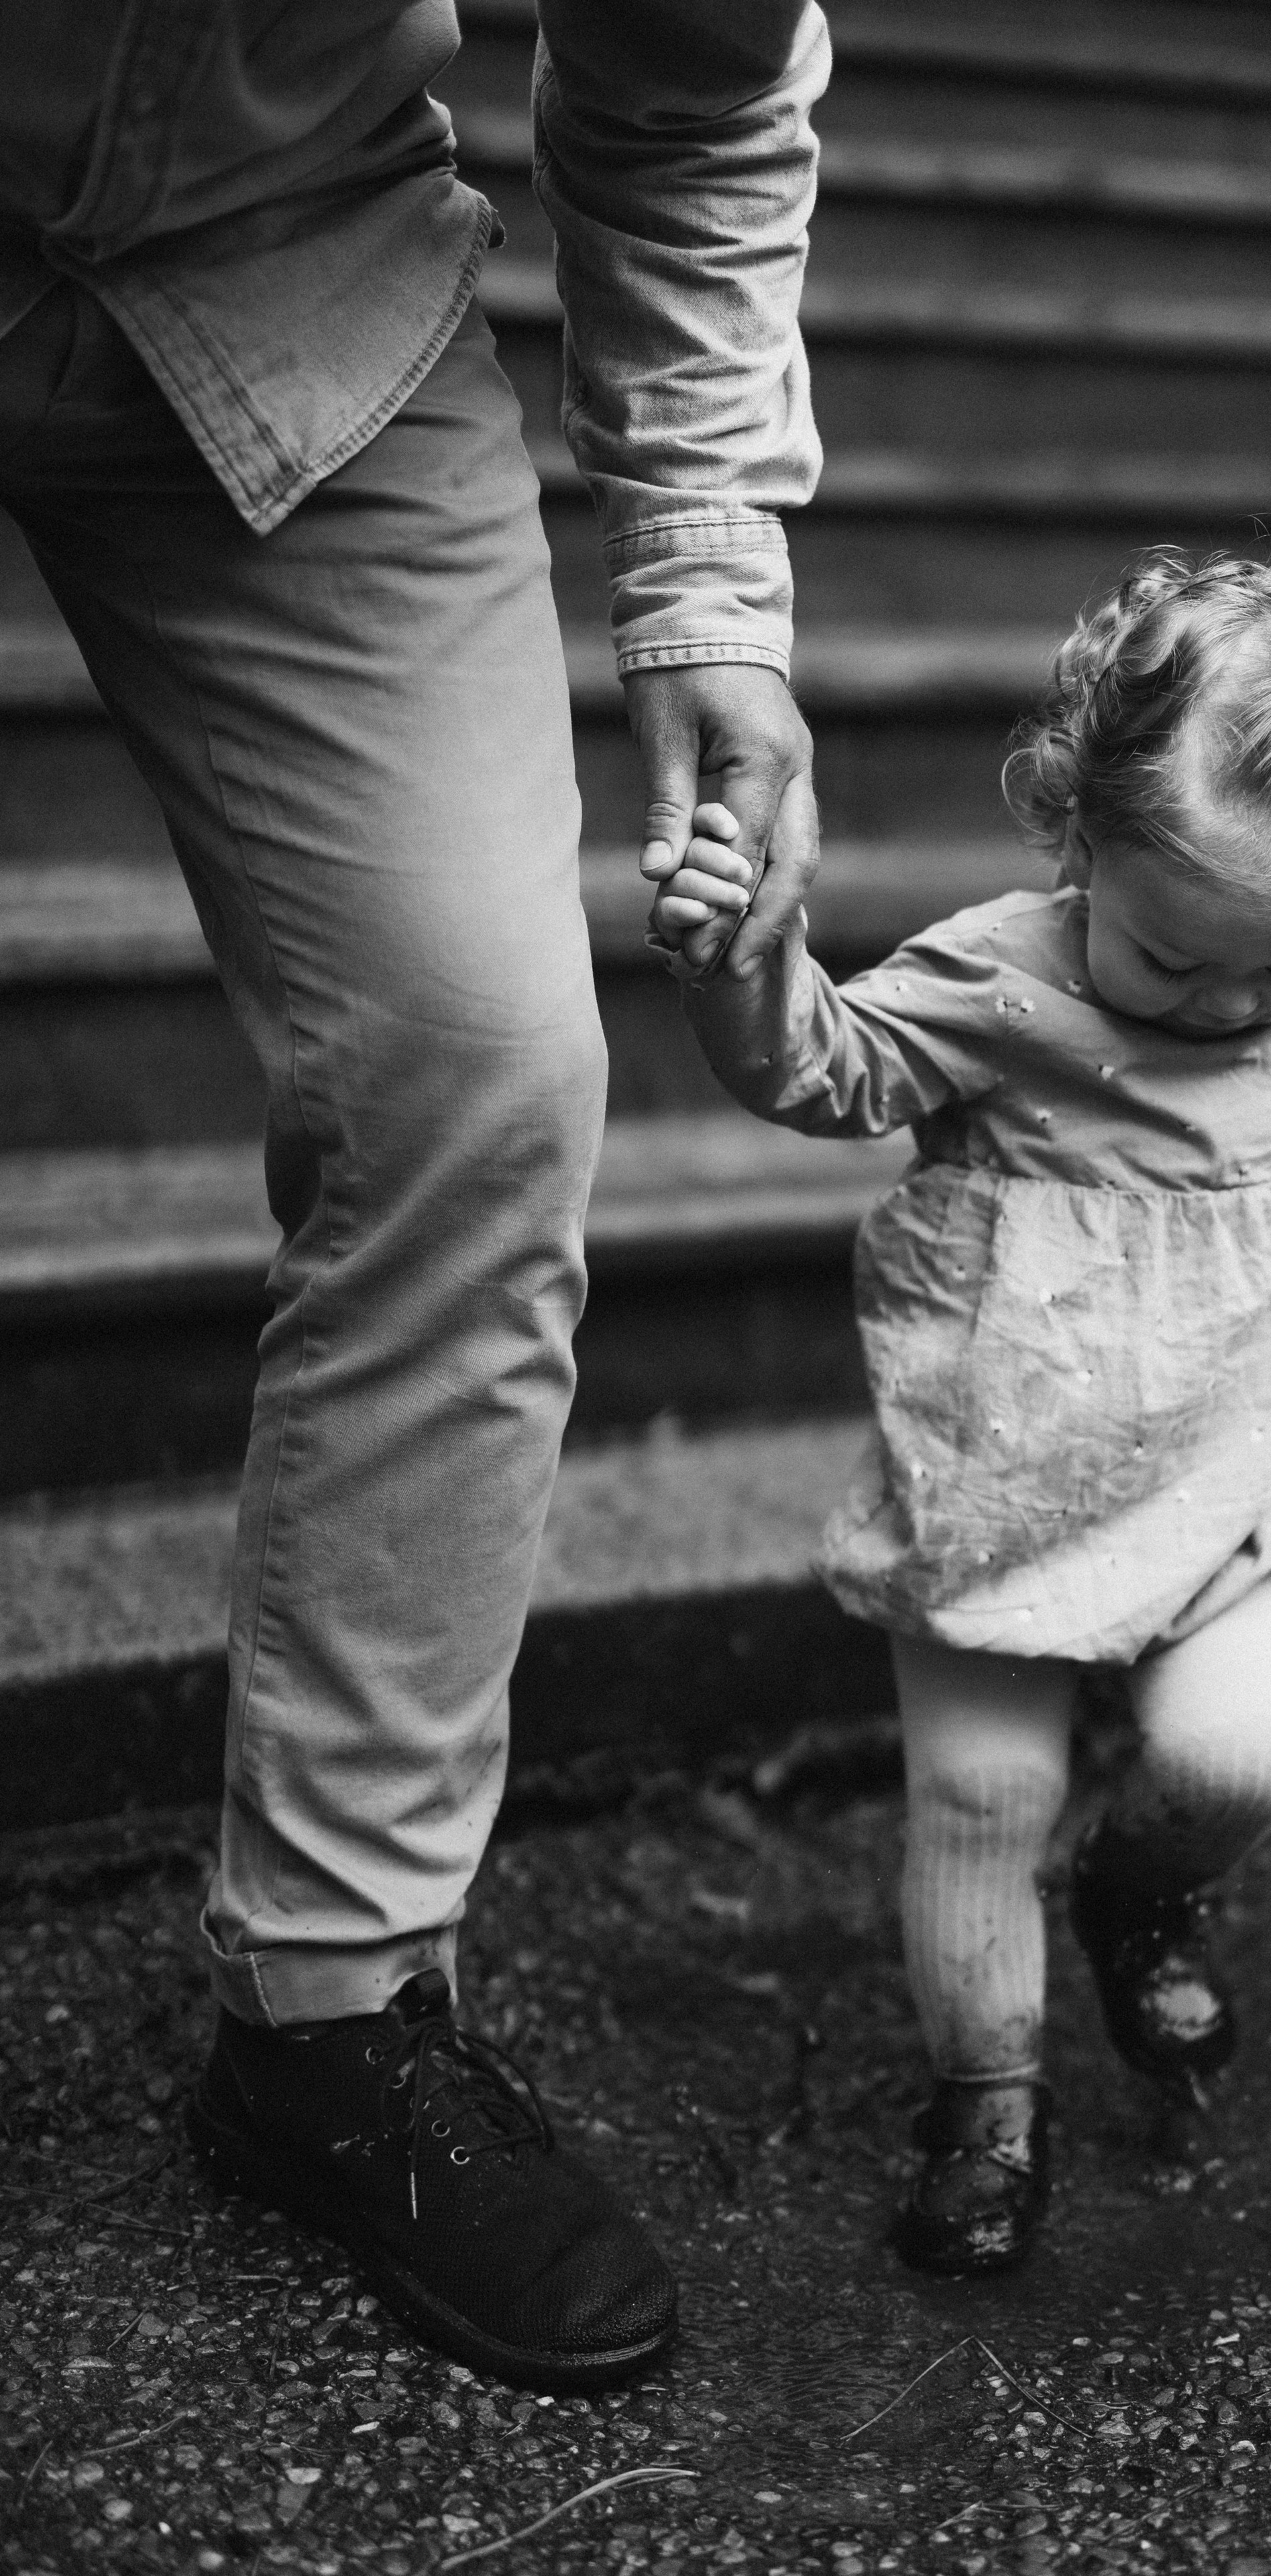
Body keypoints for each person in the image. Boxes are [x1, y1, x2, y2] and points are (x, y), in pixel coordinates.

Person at [0, 3, 828, 2387]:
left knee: (478, 1059)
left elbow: (686, 84)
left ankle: (333, 2011)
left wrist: (702, 583)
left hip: (298, 270)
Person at [655, 552, 1271, 2273]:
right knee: (977, 1806)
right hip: (1004, 1481)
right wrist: (739, 951)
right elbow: (817, 1066)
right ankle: (986, 2106)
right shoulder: (999, 985)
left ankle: (1137, 1892)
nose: (1235, 1007)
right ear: (1077, 839)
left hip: (1229, 1468)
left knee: (1245, 1755)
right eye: (1180, 964)